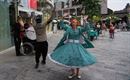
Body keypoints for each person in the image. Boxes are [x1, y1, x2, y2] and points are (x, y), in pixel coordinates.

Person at [34, 1, 54, 69]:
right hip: (44, 42)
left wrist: (33, 15)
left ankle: (37, 63)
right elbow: (51, 19)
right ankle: (44, 60)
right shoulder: (44, 24)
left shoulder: (35, 26)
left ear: (36, 21)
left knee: (37, 53)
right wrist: (52, 10)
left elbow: (32, 19)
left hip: (38, 42)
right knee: (44, 53)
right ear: (41, 20)